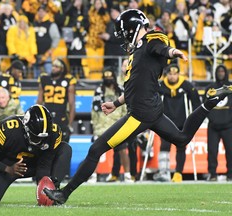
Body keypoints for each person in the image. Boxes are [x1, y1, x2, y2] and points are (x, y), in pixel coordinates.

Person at [43, 9, 232, 205]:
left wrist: (174, 52)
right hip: (152, 109)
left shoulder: (151, 41)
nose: (124, 38)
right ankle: (209, 102)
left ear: (132, 29)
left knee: (95, 150)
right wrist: (116, 103)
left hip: (140, 115)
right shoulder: (139, 50)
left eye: (124, 33)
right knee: (182, 139)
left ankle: (63, 194)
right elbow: (136, 86)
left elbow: (162, 48)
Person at [0, 104, 72, 205]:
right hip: (7, 164)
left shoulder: (54, 133)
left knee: (65, 149)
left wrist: (45, 189)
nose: (40, 141)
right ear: (26, 128)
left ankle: (54, 190)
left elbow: (45, 164)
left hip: (34, 164)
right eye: (36, 137)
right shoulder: (8, 129)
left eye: (43, 137)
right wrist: (7, 168)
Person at [153, 63, 201, 182]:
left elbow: (196, 103)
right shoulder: (161, 86)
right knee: (164, 146)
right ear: (166, 75)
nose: (173, 77)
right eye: (170, 74)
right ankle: (163, 172)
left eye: (175, 74)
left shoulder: (186, 86)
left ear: (179, 74)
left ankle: (178, 173)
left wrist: (195, 120)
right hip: (165, 121)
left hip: (182, 122)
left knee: (181, 146)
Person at [89, 68, 133, 183]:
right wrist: (95, 126)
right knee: (95, 150)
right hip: (102, 126)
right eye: (106, 77)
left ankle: (127, 175)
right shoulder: (99, 90)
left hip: (117, 124)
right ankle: (93, 175)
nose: (109, 79)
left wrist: (125, 122)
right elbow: (94, 111)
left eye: (110, 77)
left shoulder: (120, 90)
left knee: (123, 149)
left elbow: (125, 108)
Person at [36, 58, 76, 143]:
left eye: (57, 67)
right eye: (53, 66)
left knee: (62, 147)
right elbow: (39, 101)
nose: (54, 68)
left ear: (62, 69)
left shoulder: (68, 80)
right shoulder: (44, 79)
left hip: (62, 118)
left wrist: (70, 124)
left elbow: (72, 104)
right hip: (47, 117)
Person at [205, 65, 232, 181]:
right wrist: (212, 118)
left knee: (230, 151)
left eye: (223, 71)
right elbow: (204, 105)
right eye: (219, 71)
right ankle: (212, 174)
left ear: (226, 72)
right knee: (212, 151)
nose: (221, 73)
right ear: (215, 73)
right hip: (213, 126)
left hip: (229, 125)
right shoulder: (210, 88)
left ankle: (230, 174)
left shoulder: (231, 88)